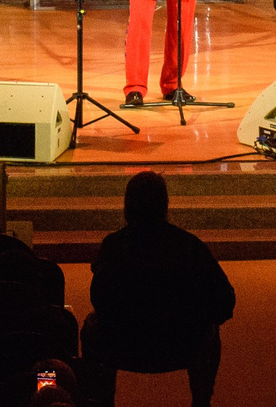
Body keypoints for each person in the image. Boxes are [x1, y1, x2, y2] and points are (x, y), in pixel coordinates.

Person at [82, 171, 235, 407]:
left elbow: (99, 298)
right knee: (210, 331)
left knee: (91, 326)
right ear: (165, 205)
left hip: (122, 344)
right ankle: (202, 400)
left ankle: (100, 399)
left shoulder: (113, 246)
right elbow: (225, 302)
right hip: (183, 343)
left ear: (127, 206)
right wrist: (196, 317)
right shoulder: (189, 245)